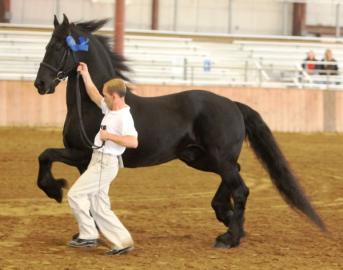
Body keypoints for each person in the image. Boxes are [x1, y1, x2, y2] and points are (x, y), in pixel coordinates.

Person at [67, 62, 138, 256]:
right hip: (99, 161)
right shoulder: (110, 109)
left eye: (106, 94)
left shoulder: (124, 117)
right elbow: (93, 94)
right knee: (99, 206)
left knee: (75, 195)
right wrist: (85, 74)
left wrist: (110, 137)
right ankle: (122, 241)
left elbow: (133, 142)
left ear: (114, 96)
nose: (103, 97)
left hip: (105, 163)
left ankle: (89, 234)